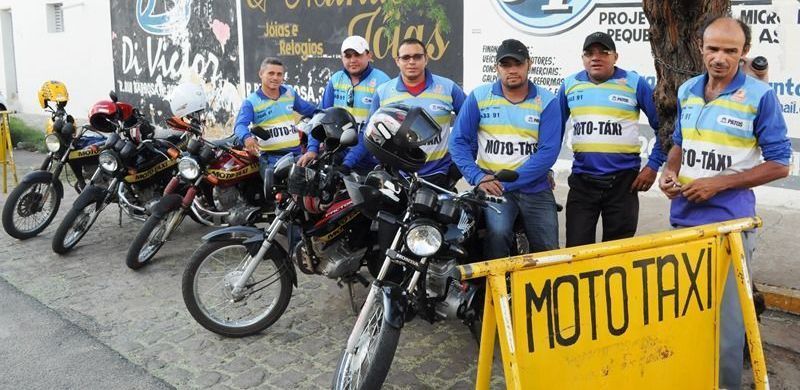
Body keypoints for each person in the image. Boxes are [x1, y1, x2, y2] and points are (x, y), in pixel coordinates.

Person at [658, 17, 791, 389]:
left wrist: (720, 184)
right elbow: (680, 144)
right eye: (713, 49)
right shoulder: (687, 90)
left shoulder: (760, 97)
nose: (720, 58)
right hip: (682, 220)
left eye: (730, 51)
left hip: (730, 228)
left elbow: (780, 164)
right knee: (685, 316)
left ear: (744, 52)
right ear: (700, 48)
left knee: (728, 327)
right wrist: (669, 173)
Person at [449, 39, 561, 258]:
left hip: (535, 188)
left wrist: (510, 181)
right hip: (493, 187)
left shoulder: (547, 101)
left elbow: (548, 152)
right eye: (505, 65)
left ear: (530, 64)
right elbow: (458, 142)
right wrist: (478, 177)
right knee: (497, 236)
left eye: (517, 64)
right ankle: (496, 290)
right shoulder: (480, 97)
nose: (512, 70)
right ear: (496, 68)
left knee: (548, 248)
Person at [558, 31, 666, 247]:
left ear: (615, 57)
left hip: (623, 184)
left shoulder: (634, 83)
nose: (595, 57)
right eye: (589, 53)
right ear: (583, 58)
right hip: (582, 181)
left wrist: (653, 166)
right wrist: (544, 170)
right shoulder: (569, 85)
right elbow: (553, 132)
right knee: (577, 252)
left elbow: (663, 127)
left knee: (618, 253)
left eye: (603, 52)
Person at [342, 37, 466, 188]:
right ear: (397, 61)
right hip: (398, 178)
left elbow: (471, 127)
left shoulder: (449, 88)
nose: (411, 62)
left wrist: (459, 167)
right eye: (406, 57)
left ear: (426, 59)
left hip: (439, 175)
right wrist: (347, 164)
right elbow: (369, 134)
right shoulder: (383, 91)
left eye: (417, 57)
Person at [298, 36, 390, 171]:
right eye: (347, 56)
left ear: (369, 55)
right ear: (342, 58)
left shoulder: (382, 81)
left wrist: (348, 162)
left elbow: (374, 130)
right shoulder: (335, 79)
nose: (352, 60)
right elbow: (320, 117)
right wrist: (312, 150)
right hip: (338, 156)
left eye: (357, 55)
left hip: (370, 160)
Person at [234, 57, 318, 178]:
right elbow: (239, 125)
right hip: (271, 159)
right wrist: (247, 138)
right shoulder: (251, 101)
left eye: (279, 74)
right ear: (261, 74)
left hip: (296, 155)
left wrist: (324, 114)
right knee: (278, 196)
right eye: (271, 73)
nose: (275, 77)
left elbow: (311, 111)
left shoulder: (290, 93)